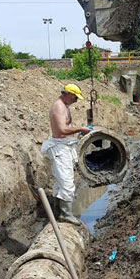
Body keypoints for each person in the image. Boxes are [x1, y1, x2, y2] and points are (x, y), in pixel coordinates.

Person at [41, 83, 90, 225]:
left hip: (64, 147)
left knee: (61, 181)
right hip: (59, 149)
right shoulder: (58, 107)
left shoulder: (64, 106)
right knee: (66, 182)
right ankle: (65, 214)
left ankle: (58, 212)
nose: (76, 100)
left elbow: (65, 127)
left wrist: (79, 131)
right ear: (68, 94)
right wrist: (80, 128)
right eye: (75, 97)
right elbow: (61, 130)